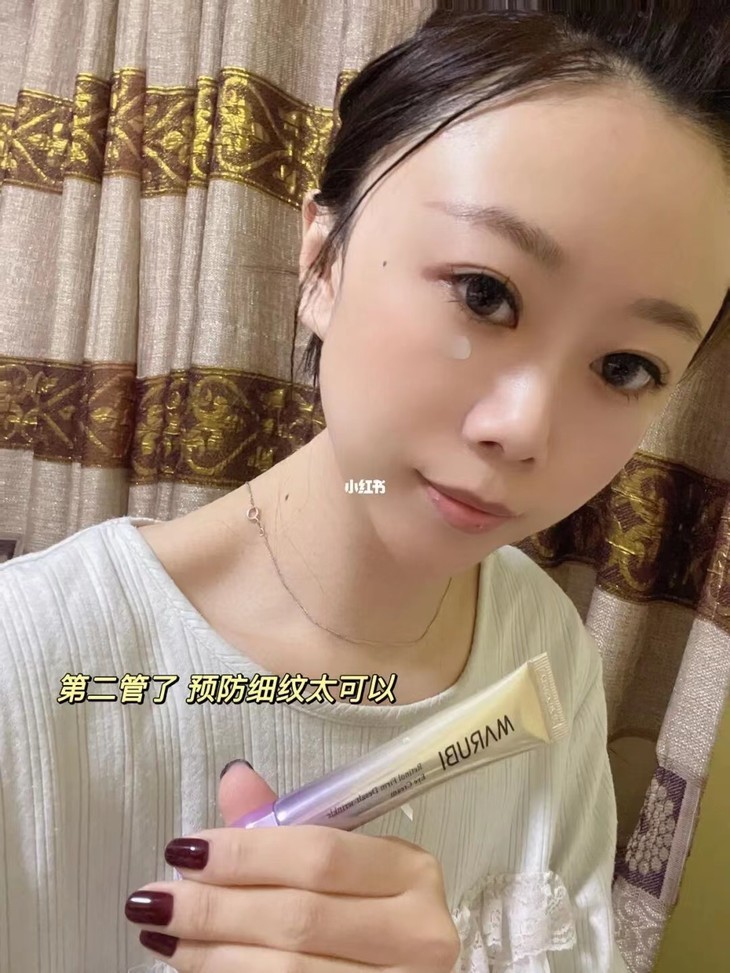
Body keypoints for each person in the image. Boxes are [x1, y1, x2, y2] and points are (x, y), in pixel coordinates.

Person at [1, 4, 728, 971]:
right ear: (322, 262)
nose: (523, 430)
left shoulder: (544, 648)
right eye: (484, 293)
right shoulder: (30, 663)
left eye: (626, 366)